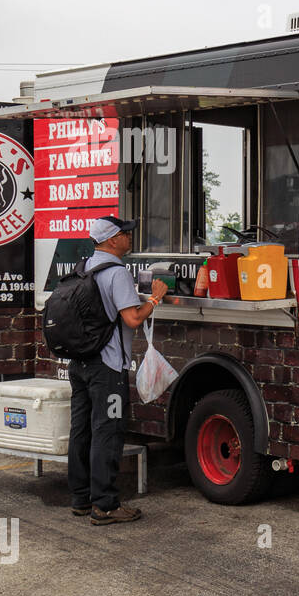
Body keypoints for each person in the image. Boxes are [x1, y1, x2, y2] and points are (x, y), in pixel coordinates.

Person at [68, 216, 167, 525]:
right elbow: (133, 319)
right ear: (112, 240)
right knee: (108, 432)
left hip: (80, 362)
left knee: (81, 430)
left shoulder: (83, 267)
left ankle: (81, 499)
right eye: (125, 233)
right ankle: (106, 505)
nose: (129, 237)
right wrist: (155, 298)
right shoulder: (116, 273)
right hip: (107, 367)